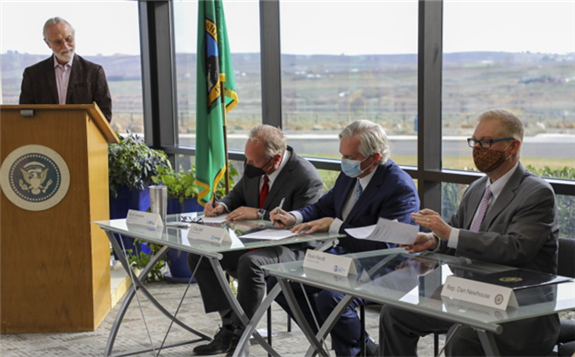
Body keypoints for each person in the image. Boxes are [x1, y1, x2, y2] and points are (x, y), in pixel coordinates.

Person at [379, 108, 559, 357]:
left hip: (517, 307)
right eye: (474, 142)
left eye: (486, 142)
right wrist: (431, 241)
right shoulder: (476, 189)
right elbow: (455, 237)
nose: (477, 149)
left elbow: (516, 248)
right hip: (467, 296)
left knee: (462, 338)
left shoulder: (536, 193)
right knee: (394, 314)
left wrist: (449, 233)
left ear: (512, 147)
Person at [270, 119, 420, 357]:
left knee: (331, 298)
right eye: (343, 155)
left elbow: (387, 242)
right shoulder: (350, 175)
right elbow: (323, 207)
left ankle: (353, 349)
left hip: (385, 264)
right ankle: (351, 340)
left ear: (374, 157)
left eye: (351, 156)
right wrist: (295, 216)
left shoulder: (399, 186)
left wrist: (336, 225)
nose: (345, 162)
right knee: (280, 281)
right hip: (345, 259)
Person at [189, 124, 324, 356]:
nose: (248, 165)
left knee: (250, 263)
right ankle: (230, 325)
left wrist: (260, 214)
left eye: (253, 162)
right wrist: (221, 205)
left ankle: (241, 337)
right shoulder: (255, 163)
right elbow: (239, 193)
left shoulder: (305, 177)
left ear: (275, 159)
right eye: (246, 159)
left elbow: (305, 223)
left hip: (294, 247)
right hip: (258, 241)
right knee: (202, 255)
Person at [19, 17, 112, 122]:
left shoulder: (94, 72)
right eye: (58, 42)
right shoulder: (32, 75)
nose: (65, 46)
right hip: (45, 136)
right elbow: (25, 113)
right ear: (47, 43)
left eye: (69, 39)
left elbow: (105, 114)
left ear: (74, 36)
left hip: (82, 137)